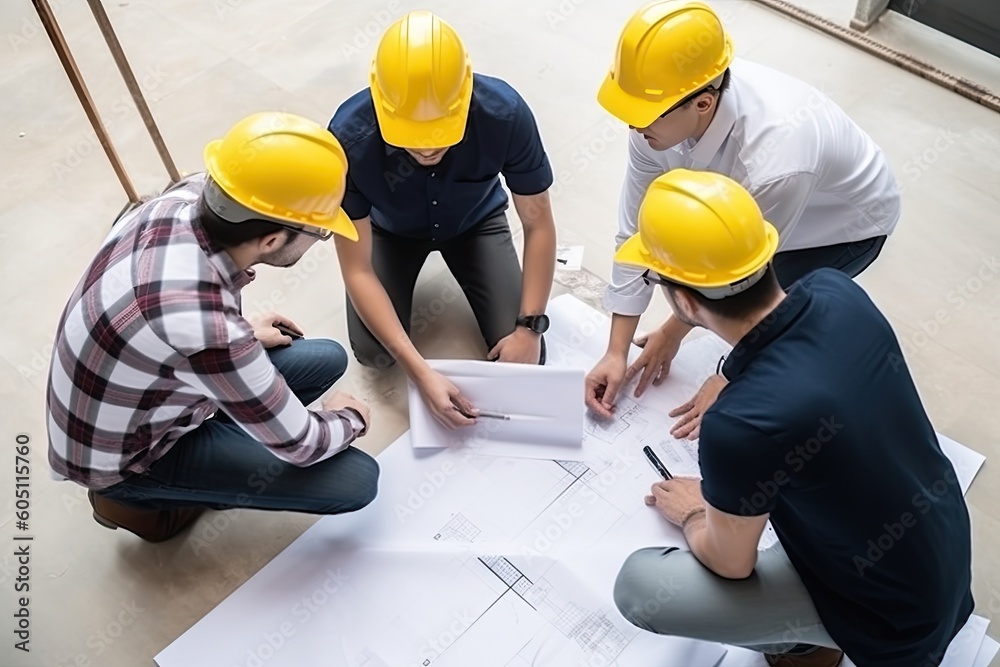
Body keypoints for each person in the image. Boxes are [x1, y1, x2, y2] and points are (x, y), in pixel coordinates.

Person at [610, 169, 972, 667]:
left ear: (686, 300)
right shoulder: (838, 291)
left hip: (892, 623)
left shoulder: (739, 425)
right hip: (943, 554)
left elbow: (729, 564)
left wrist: (696, 512)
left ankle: (803, 642)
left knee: (639, 586)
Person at [46, 112, 379, 543]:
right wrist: (351, 416)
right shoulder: (209, 329)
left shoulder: (181, 197)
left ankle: (221, 437)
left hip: (146, 397)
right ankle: (130, 502)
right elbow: (304, 444)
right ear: (273, 240)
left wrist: (241, 330)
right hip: (128, 460)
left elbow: (165, 314)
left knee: (326, 358)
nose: (320, 238)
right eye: (317, 231)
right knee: (356, 480)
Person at [585, 0, 901, 438]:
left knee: (771, 314)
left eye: (641, 116)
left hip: (843, 225)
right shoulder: (657, 117)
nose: (631, 126)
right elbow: (637, 233)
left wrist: (710, 360)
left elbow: (740, 276)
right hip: (772, 201)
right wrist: (616, 350)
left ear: (703, 103)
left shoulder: (773, 161)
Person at [328, 11, 558, 429]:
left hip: (476, 223)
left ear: (465, 95)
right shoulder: (348, 138)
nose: (428, 150)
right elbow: (357, 268)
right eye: (412, 139)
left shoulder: (504, 114)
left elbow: (539, 224)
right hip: (390, 233)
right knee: (374, 352)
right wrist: (420, 371)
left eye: (440, 135)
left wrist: (530, 328)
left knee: (528, 356)